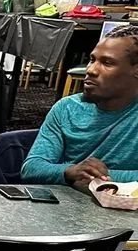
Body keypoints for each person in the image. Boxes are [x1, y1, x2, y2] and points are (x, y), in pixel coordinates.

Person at [21, 26, 138, 188]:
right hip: (64, 207)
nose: (91, 70)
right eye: (92, 60)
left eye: (107, 63)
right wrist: (71, 171)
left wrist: (103, 177)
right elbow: (31, 168)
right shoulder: (66, 108)